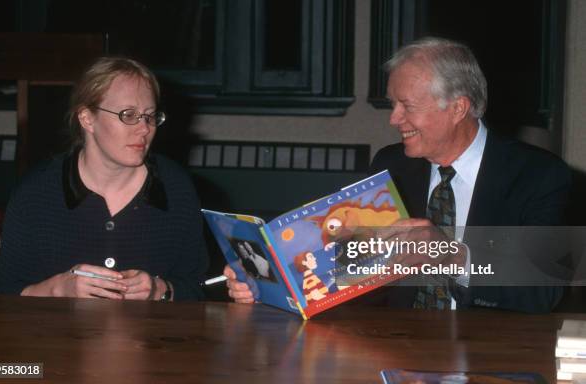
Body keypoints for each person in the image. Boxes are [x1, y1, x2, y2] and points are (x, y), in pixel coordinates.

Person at [224, 37, 571, 312]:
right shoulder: (391, 166)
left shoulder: (538, 176)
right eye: (393, 104)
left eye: (407, 106)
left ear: (458, 108)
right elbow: (344, 266)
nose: (393, 119)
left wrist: (452, 256)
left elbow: (542, 290)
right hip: (398, 345)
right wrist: (266, 280)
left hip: (490, 354)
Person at [0, 57, 208, 301]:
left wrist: (161, 290)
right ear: (86, 119)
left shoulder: (175, 189)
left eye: (150, 116)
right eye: (128, 115)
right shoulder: (36, 193)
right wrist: (58, 289)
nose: (145, 128)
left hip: (148, 339)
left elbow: (198, 289)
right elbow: (4, 297)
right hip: (57, 338)